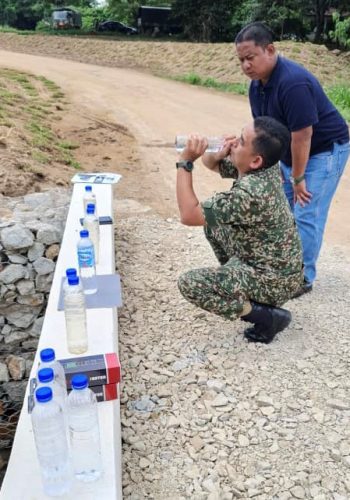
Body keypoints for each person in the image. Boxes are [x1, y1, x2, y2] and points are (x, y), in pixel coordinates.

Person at [235, 22, 350, 297]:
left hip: (325, 149)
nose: (246, 65)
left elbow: (303, 136)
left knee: (305, 212)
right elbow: (264, 131)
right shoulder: (256, 86)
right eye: (241, 60)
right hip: (293, 151)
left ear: (270, 50)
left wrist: (298, 179)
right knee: (284, 210)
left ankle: (303, 277)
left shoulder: (292, 83)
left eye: (250, 57)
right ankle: (284, 268)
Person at [176, 116, 303, 344]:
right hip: (272, 266)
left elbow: (189, 214)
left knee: (191, 284)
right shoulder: (266, 166)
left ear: (255, 160)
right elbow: (212, 164)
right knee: (214, 227)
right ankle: (237, 286)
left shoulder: (252, 193)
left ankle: (265, 315)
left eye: (241, 141)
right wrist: (217, 151)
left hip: (274, 280)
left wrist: (185, 162)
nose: (234, 143)